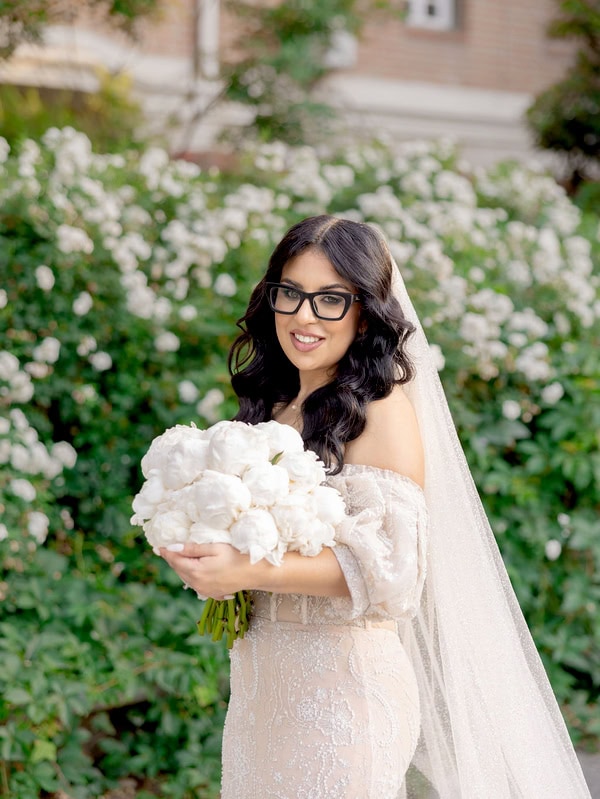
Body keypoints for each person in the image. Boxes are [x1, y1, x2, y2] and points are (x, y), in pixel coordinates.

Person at [161, 215, 591, 798]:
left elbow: (396, 573)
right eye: (291, 293)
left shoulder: (381, 413)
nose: (304, 316)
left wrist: (252, 568)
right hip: (263, 691)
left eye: (330, 300)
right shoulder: (275, 405)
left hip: (342, 697)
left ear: (366, 312)